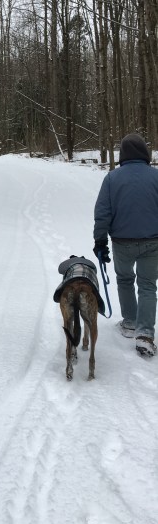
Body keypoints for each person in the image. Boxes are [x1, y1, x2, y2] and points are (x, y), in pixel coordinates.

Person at [93, 132, 158, 357]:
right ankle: (145, 334)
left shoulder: (112, 178)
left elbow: (103, 213)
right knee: (148, 285)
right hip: (153, 241)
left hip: (122, 242)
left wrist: (100, 241)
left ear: (123, 154)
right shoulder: (156, 176)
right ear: (145, 153)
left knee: (125, 279)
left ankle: (130, 322)